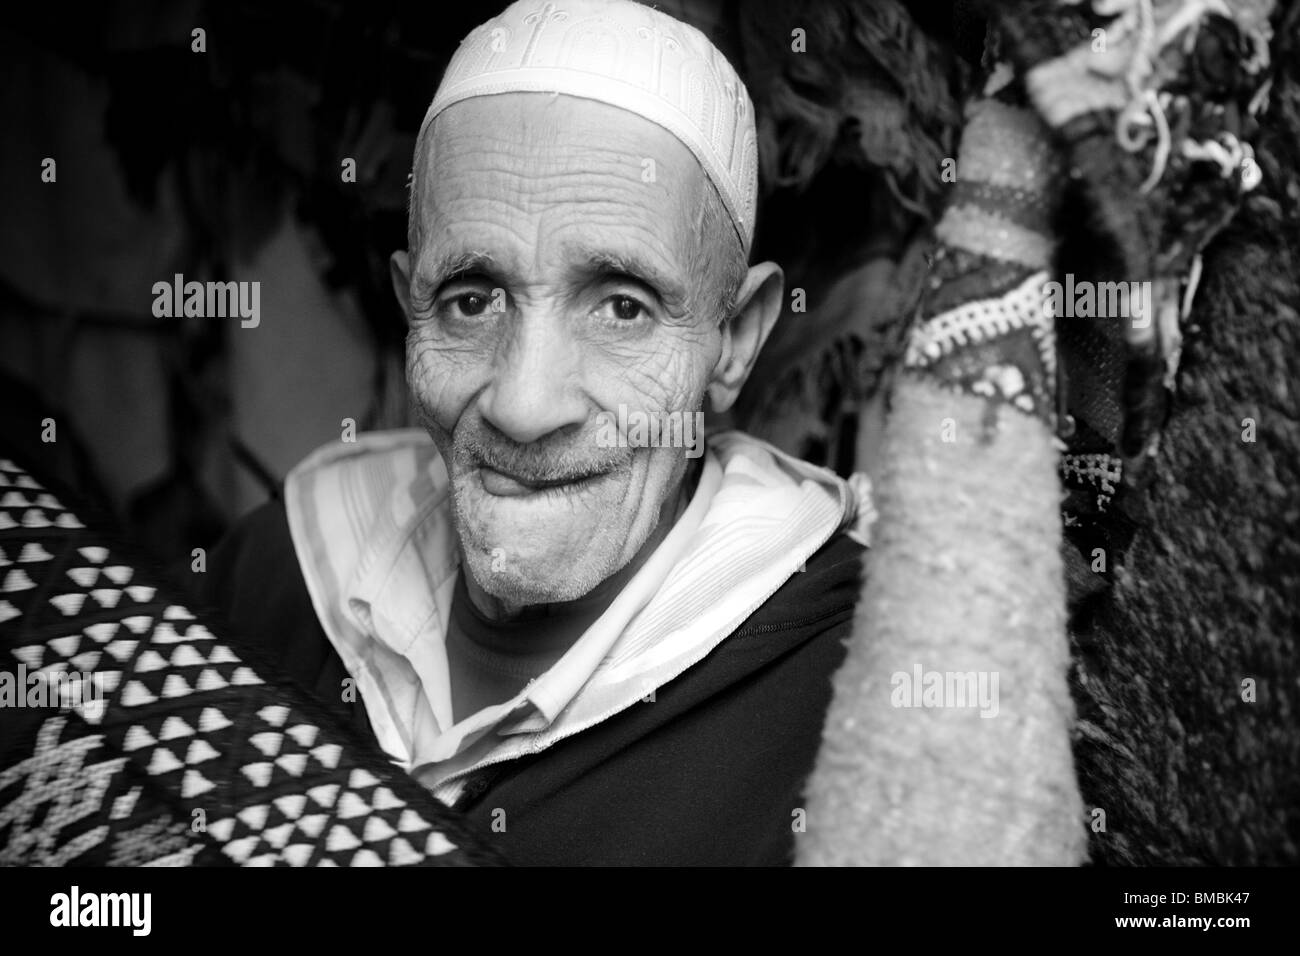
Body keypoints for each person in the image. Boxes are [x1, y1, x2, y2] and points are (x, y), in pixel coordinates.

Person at [204, 0, 874, 866]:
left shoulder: (850, 697)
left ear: (733, 340)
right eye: (472, 300)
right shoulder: (279, 571)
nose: (523, 406)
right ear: (410, 304)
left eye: (623, 308)